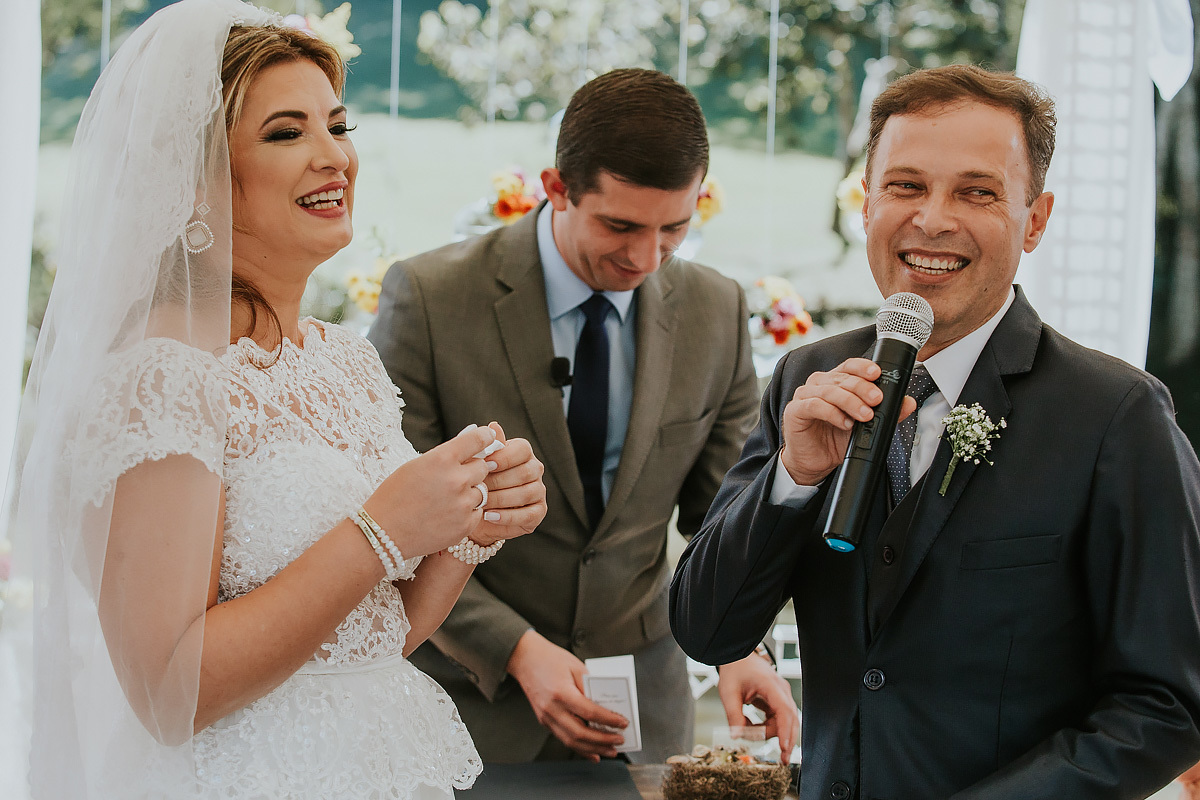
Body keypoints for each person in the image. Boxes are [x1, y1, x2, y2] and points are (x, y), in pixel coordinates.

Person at [0, 1, 547, 797]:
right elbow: (167, 693)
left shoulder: (345, 362)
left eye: (338, 125)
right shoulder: (166, 377)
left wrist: (466, 526)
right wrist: (385, 528)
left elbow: (367, 639)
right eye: (286, 133)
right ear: (191, 185)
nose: (334, 157)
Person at [670, 64, 1200, 799]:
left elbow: (1166, 706)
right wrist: (792, 477)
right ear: (866, 204)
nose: (932, 220)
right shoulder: (805, 379)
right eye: (906, 186)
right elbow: (706, 630)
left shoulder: (1118, 416)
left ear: (1035, 220)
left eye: (976, 192)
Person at [368, 67, 798, 764]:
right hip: (466, 709)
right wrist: (516, 650)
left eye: (674, 230)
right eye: (620, 226)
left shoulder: (717, 311)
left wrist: (738, 648)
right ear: (556, 187)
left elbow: (722, 515)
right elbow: (391, 523)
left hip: (643, 711)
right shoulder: (429, 298)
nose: (645, 257)